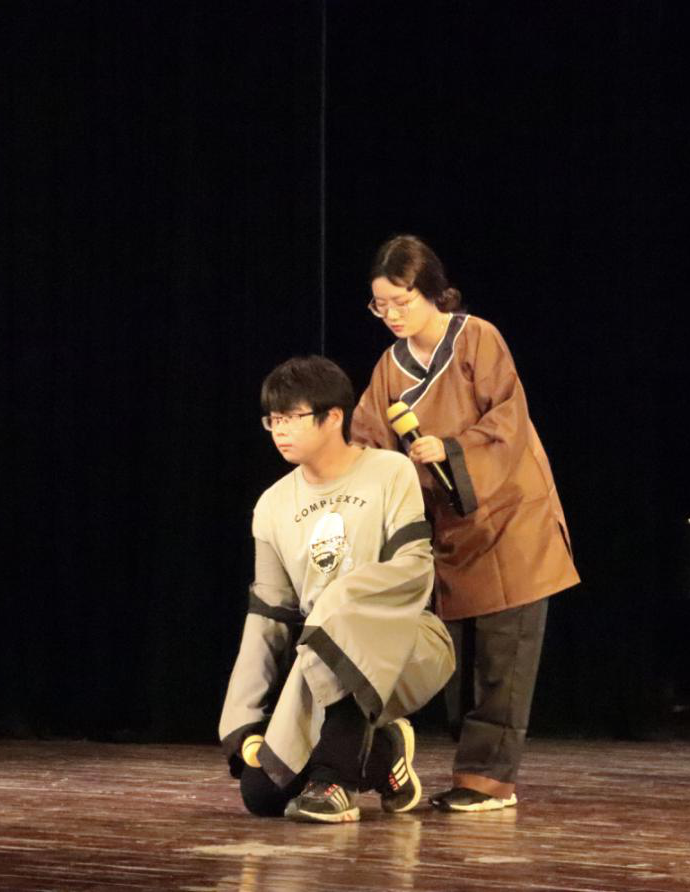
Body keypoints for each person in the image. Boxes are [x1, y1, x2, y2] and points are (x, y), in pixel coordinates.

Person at [351, 235, 579, 812]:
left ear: (432, 292)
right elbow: (368, 441)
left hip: (510, 517)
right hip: (451, 530)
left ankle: (488, 781)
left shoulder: (478, 338)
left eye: (402, 302)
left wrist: (449, 450)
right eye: (381, 305)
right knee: (453, 663)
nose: (392, 315)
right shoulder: (389, 369)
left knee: (504, 657)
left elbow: (507, 422)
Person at [218, 355, 455, 823]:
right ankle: (386, 749)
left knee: (346, 642)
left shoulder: (390, 472)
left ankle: (335, 782)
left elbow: (413, 567)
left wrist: (340, 602)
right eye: (273, 420)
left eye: (293, 417)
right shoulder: (272, 506)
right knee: (261, 793)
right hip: (320, 656)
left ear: (332, 417)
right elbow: (268, 615)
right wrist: (242, 719)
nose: (280, 431)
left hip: (405, 640)